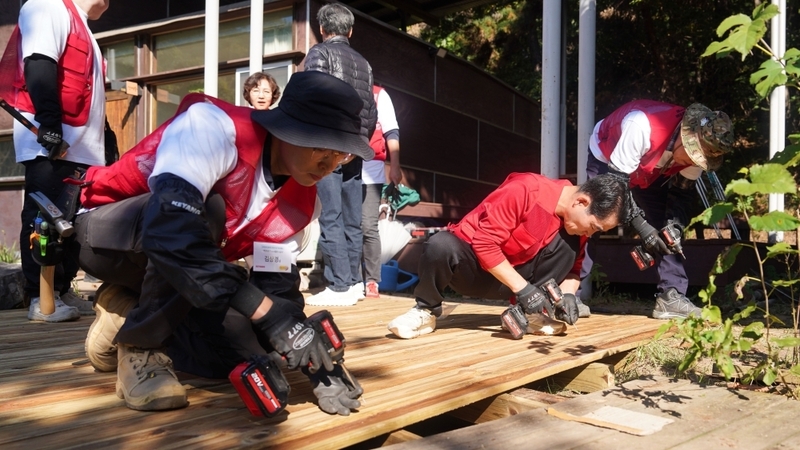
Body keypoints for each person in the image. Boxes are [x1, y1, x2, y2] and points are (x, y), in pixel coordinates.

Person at [73, 71, 373, 415]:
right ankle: (142, 346)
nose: (330, 164)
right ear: (287, 128)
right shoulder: (213, 128)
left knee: (241, 353)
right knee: (205, 212)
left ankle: (125, 307)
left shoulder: (303, 201)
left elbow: (277, 288)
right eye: (322, 146)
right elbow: (170, 229)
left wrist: (307, 355)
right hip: (108, 236)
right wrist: (267, 314)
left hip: (181, 266)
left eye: (342, 155)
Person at [387, 173, 630, 339]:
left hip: (515, 284)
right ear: (581, 201)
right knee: (440, 245)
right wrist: (524, 289)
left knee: (569, 244)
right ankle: (425, 310)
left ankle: (527, 315)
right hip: (473, 271)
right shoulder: (526, 190)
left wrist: (566, 295)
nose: (591, 233)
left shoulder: (574, 226)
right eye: (595, 227)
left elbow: (574, 269)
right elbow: (484, 244)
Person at [0, 0, 110, 321]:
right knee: (44, 217)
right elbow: (39, 61)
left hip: (79, 145)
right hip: (54, 140)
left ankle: (60, 290)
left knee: (72, 221)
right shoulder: (47, 5)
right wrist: (48, 124)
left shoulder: (83, 25)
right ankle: (40, 297)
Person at [579, 100, 734, 320]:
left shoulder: (696, 154)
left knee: (668, 230)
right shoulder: (641, 126)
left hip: (650, 169)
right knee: (592, 218)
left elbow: (681, 196)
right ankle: (568, 291)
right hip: (609, 156)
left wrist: (675, 226)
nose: (694, 162)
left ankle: (671, 295)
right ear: (686, 137)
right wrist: (643, 229)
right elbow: (616, 188)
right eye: (693, 155)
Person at [303, 3, 378, 307]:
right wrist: (358, 143)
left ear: (322, 29)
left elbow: (315, 98)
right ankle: (355, 284)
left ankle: (339, 286)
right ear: (350, 30)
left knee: (330, 217)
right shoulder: (364, 63)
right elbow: (370, 112)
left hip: (326, 145)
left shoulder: (319, 54)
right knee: (351, 218)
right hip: (353, 149)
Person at [361, 85, 403, 298]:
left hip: (371, 170)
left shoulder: (379, 94)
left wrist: (394, 166)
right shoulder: (340, 88)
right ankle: (347, 279)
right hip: (339, 169)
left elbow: (391, 131)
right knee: (344, 226)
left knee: (368, 226)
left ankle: (371, 280)